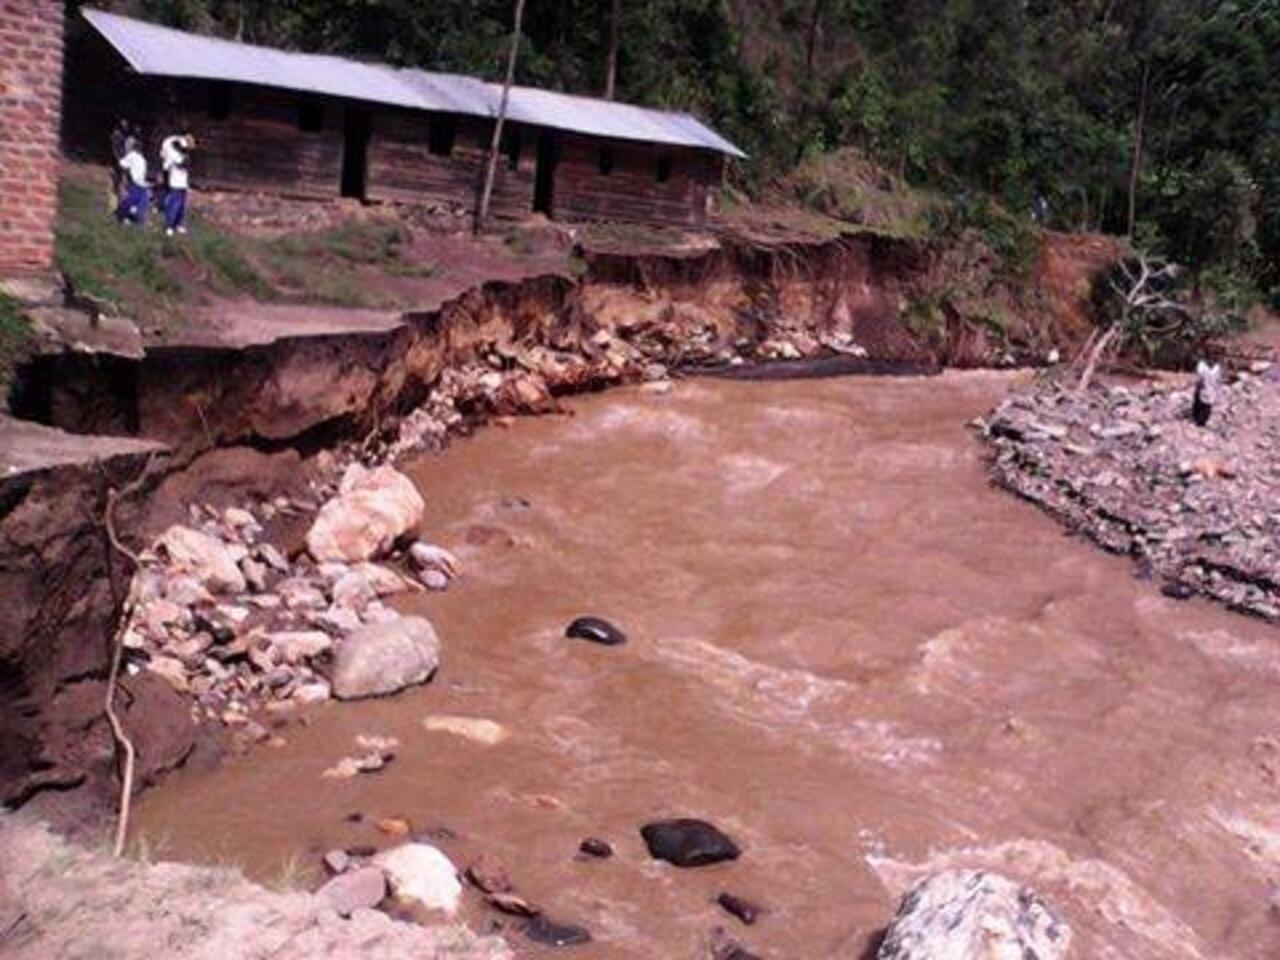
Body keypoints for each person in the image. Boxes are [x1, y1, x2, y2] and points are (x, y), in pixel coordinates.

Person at [160, 132, 195, 236]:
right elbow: (166, 167)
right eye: (184, 148)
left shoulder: (184, 155)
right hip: (175, 184)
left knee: (181, 206)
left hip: (183, 184)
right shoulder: (173, 155)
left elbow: (186, 167)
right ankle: (169, 226)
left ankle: (178, 224)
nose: (186, 150)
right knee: (174, 205)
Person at [115, 136, 149, 225]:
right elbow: (122, 164)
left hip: (142, 183)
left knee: (140, 202)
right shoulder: (132, 155)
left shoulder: (142, 158)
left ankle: (133, 216)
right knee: (130, 200)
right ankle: (121, 216)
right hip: (134, 182)